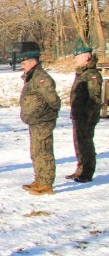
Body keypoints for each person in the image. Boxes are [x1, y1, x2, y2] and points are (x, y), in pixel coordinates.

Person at [19, 49, 61, 195]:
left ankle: (46, 184)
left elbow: (53, 100)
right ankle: (40, 179)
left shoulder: (41, 77)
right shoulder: (32, 77)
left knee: (44, 151)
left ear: (33, 62)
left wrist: (46, 112)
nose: (22, 66)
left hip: (43, 120)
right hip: (36, 120)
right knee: (36, 151)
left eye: (24, 63)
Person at [67, 46, 102, 183]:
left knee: (86, 143)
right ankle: (80, 169)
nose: (75, 60)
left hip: (86, 116)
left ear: (86, 58)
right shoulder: (82, 73)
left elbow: (95, 98)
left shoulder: (92, 74)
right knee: (79, 143)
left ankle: (87, 172)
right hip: (78, 115)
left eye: (78, 57)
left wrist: (87, 116)